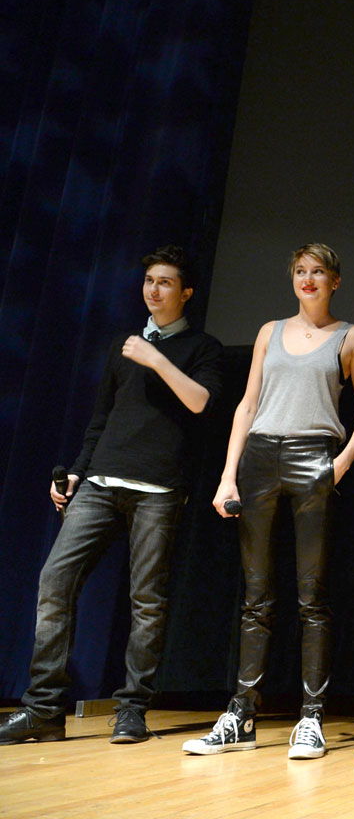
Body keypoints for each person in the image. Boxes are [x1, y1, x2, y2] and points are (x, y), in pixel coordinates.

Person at [0, 247, 223, 746]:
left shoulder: (202, 347)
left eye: (165, 282)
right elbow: (101, 418)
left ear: (185, 292)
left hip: (159, 490)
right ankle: (43, 710)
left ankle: (132, 709)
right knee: (54, 583)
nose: (153, 290)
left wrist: (155, 358)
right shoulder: (123, 347)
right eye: (148, 280)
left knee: (147, 601)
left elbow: (201, 402)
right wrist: (77, 474)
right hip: (101, 483)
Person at [182, 243, 354, 760]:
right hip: (261, 457)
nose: (308, 280)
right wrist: (228, 477)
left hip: (315, 455)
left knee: (312, 596)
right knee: (257, 595)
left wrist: (338, 465)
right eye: (300, 271)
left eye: (318, 272)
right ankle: (241, 713)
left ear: (335, 281)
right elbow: (246, 405)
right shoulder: (269, 331)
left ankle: (311, 718)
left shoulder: (350, 336)